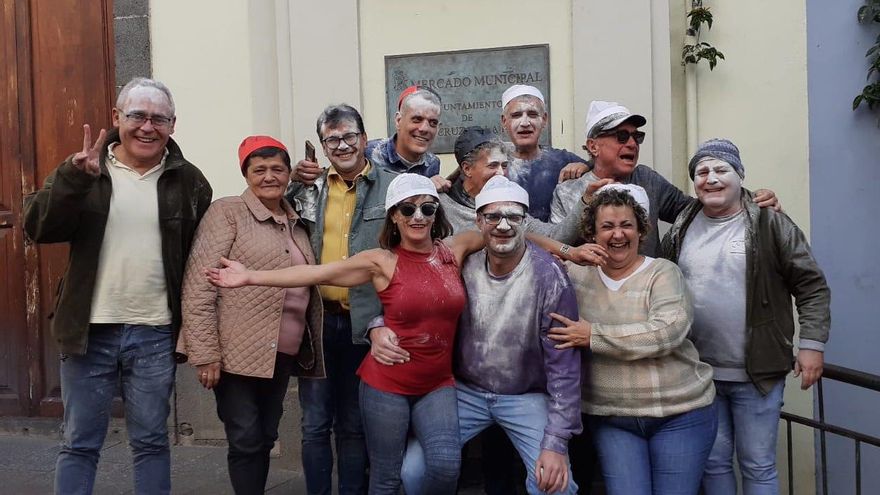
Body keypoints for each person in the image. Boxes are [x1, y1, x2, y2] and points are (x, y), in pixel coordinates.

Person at [209, 173, 484, 494]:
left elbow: (507, 233)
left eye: (427, 208)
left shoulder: (455, 249)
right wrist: (250, 277)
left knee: (446, 466)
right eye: (408, 210)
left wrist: (558, 249)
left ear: (437, 211)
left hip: (437, 384)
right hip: (387, 385)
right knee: (385, 477)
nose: (418, 216)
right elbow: (314, 273)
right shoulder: (381, 261)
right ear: (394, 216)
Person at [23, 77, 212, 494]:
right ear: (116, 118)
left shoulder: (190, 182)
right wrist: (72, 180)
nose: (148, 127)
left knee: (150, 442)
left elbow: (198, 258)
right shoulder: (85, 170)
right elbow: (37, 228)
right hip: (90, 329)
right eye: (137, 116)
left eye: (158, 118)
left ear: (173, 125)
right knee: (79, 443)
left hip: (155, 332)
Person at [660, 139, 831, 495]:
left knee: (758, 465)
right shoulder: (683, 224)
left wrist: (812, 346)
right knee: (714, 464)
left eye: (721, 170)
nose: (711, 179)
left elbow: (811, 285)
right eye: (702, 172)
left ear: (739, 176)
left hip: (757, 375)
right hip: (699, 374)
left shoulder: (771, 223)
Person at [403, 176, 583, 495]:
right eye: (493, 216)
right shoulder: (463, 265)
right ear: (478, 221)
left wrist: (556, 443)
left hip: (526, 396)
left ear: (526, 222)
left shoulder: (549, 278)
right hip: (466, 392)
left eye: (513, 216)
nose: (503, 225)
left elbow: (564, 368)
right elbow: (412, 299)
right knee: (414, 470)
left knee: (556, 485)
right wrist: (378, 327)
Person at [176, 136, 324, 494]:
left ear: (289, 174)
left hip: (283, 351)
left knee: (266, 435)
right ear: (246, 174)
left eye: (277, 168)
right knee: (244, 437)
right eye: (259, 170)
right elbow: (199, 284)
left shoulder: (296, 220)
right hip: (234, 352)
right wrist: (205, 353)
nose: (269, 176)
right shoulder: (227, 213)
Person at [550, 187, 717, 495]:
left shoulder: (663, 272)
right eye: (607, 226)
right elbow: (520, 239)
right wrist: (567, 251)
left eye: (626, 225)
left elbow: (667, 332)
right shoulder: (574, 273)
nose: (618, 234)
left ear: (641, 230)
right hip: (613, 417)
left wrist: (593, 335)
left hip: (679, 413)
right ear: (591, 234)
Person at [285, 103, 398, 495]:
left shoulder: (391, 185)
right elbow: (279, 216)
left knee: (353, 423)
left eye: (350, 136)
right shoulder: (310, 187)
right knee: (314, 422)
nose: (342, 145)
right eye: (332, 139)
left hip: (365, 321)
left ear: (365, 139)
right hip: (317, 322)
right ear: (322, 145)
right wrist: (296, 182)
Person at [550, 100, 779, 256]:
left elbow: (697, 211)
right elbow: (556, 245)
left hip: (649, 298)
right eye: (621, 136)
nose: (631, 144)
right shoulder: (568, 190)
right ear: (593, 146)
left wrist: (748, 199)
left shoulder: (647, 179)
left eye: (636, 136)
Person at [501, 84, 589, 221]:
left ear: (544, 120)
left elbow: (600, 170)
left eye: (532, 114)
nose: (525, 122)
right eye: (517, 115)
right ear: (504, 121)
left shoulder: (562, 159)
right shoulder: (493, 164)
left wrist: (587, 166)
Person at [365, 85, 450, 191]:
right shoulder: (369, 154)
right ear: (398, 121)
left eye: (433, 123)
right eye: (417, 119)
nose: (424, 129)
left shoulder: (432, 163)